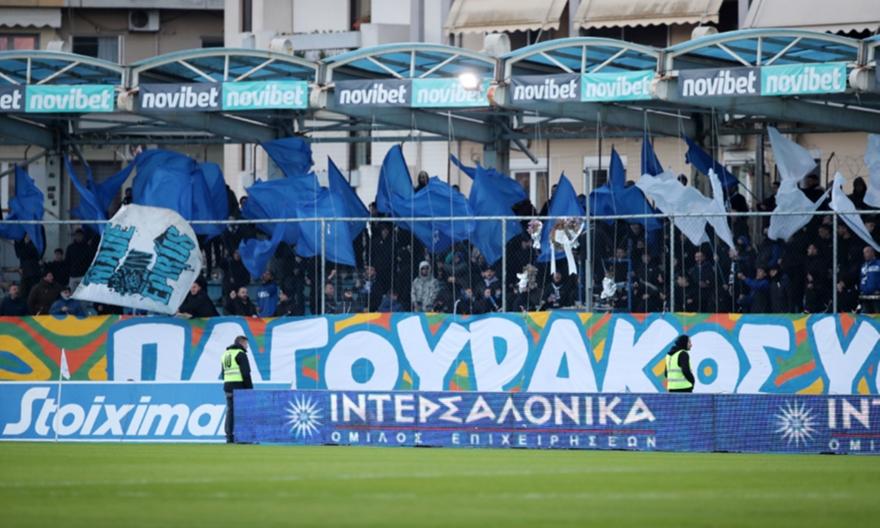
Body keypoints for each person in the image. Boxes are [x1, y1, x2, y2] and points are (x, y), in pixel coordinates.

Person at [220, 336, 253, 443]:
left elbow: (223, 374)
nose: (247, 346)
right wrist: (249, 389)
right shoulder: (241, 354)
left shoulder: (225, 354)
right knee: (242, 412)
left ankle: (229, 437)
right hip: (239, 387)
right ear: (241, 343)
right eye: (246, 344)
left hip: (227, 386)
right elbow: (246, 374)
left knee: (230, 411)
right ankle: (243, 437)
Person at [859, 246, 880, 313]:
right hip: (865, 296)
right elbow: (861, 279)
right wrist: (862, 290)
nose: (865, 254)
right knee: (865, 315)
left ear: (872, 252)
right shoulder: (863, 266)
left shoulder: (878, 264)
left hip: (877, 296)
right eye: (864, 253)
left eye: (867, 252)